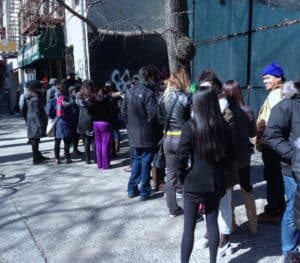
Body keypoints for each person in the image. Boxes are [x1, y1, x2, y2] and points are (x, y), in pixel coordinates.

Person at [175, 85, 233, 263]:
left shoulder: (190, 126)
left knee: (189, 228)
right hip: (215, 182)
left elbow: (180, 158)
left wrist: (183, 177)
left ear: (197, 104)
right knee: (212, 222)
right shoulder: (223, 126)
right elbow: (230, 157)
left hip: (193, 182)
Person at [198, 70, 237, 256]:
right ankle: (209, 232)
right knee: (207, 203)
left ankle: (225, 237)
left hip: (223, 167)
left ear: (217, 89)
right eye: (202, 89)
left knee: (224, 203)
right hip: (204, 167)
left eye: (209, 89)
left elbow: (229, 144)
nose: (206, 93)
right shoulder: (198, 110)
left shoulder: (226, 110)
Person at [264, 80, 300, 262]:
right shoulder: (286, 106)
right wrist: (294, 155)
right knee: (293, 208)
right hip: (293, 170)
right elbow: (272, 135)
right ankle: (290, 251)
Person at [223, 80, 257, 234]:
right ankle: (253, 226)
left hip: (228, 157)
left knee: (228, 190)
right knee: (246, 187)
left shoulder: (223, 111)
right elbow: (253, 134)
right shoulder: (248, 110)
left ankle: (231, 224)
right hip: (244, 155)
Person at [157, 68, 191, 217]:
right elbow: (191, 120)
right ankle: (190, 211)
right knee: (184, 175)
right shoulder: (186, 97)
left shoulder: (163, 98)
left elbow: (160, 120)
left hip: (167, 139)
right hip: (181, 140)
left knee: (169, 175)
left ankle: (173, 209)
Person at [122, 65, 159, 201]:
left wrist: (130, 127)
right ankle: (144, 190)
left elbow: (123, 112)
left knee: (137, 160)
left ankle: (132, 189)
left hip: (134, 134)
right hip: (147, 134)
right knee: (145, 162)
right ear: (150, 77)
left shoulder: (129, 91)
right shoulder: (149, 93)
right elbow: (154, 116)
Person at [256, 62, 285, 223]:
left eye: (268, 78)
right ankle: (278, 207)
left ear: (278, 78)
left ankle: (274, 210)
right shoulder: (280, 93)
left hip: (272, 144)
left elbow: (274, 121)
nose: (265, 81)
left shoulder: (276, 95)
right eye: (264, 78)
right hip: (275, 143)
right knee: (276, 177)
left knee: (273, 177)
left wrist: (262, 135)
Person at [24, 80, 49, 164]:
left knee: (35, 139)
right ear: (36, 89)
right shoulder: (35, 99)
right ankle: (36, 158)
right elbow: (36, 112)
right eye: (40, 87)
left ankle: (37, 155)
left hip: (32, 120)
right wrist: (39, 124)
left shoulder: (31, 97)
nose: (42, 89)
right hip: (35, 121)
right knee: (35, 139)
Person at [54, 81, 74, 164]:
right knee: (66, 141)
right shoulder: (66, 98)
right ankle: (67, 158)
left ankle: (57, 158)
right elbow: (70, 107)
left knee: (57, 141)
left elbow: (49, 110)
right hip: (65, 121)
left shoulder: (54, 98)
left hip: (57, 121)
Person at [76, 82, 95, 164]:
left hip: (82, 121)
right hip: (90, 120)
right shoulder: (92, 98)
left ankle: (88, 159)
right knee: (93, 141)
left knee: (86, 141)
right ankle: (96, 158)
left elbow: (79, 102)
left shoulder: (79, 98)